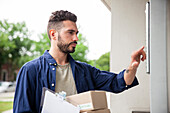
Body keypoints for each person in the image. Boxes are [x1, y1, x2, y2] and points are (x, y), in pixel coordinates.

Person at [13, 10, 146, 113]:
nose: (76, 38)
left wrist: (132, 66)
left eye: (76, 33)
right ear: (53, 34)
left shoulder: (85, 71)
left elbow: (117, 82)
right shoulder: (30, 70)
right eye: (70, 32)